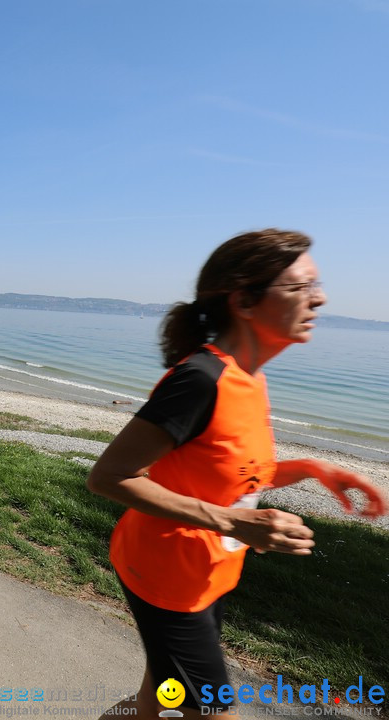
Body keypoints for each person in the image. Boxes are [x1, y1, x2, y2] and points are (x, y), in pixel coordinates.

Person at [87, 229, 386, 719]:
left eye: (316, 284)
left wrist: (316, 468)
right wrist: (231, 522)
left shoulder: (250, 378)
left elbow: (242, 473)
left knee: (169, 688)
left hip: (210, 574)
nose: (321, 297)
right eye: (299, 287)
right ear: (245, 301)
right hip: (165, 576)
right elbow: (110, 476)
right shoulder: (200, 379)